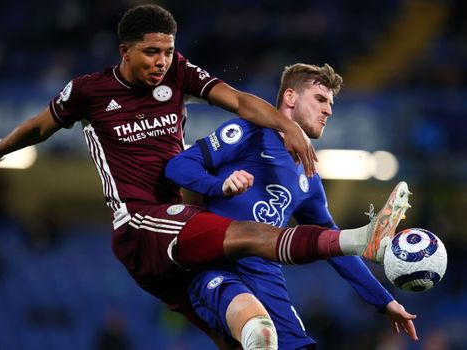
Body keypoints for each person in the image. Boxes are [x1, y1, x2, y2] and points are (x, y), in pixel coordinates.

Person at [0, 5, 410, 349]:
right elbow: (44, 126)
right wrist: (1, 148)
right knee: (246, 233)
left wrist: (383, 300)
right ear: (125, 50)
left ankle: (356, 246)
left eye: (168, 52)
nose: (162, 62)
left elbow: (240, 99)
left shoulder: (180, 74)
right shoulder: (89, 91)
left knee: (256, 339)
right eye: (152, 52)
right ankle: (364, 237)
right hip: (141, 221)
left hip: (195, 240)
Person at [166, 63, 418, 349]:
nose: (328, 111)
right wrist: (218, 186)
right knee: (259, 335)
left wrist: (384, 301)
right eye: (320, 99)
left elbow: (333, 246)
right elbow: (178, 166)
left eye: (331, 104)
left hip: (265, 276)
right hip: (216, 265)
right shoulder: (250, 132)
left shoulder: (309, 178)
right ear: (290, 98)